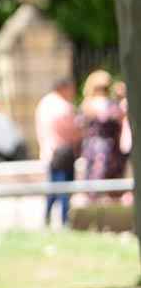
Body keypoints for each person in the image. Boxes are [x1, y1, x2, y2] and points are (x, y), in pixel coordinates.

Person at [34, 78, 80, 226]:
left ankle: (46, 218)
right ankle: (65, 222)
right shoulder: (63, 107)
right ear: (64, 88)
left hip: (48, 152)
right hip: (62, 152)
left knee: (53, 189)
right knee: (65, 189)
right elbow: (74, 132)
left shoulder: (44, 103)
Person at [80, 70, 127, 202]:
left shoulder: (86, 105)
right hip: (106, 147)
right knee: (105, 181)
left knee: (96, 183)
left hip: (94, 147)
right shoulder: (109, 105)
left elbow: (79, 126)